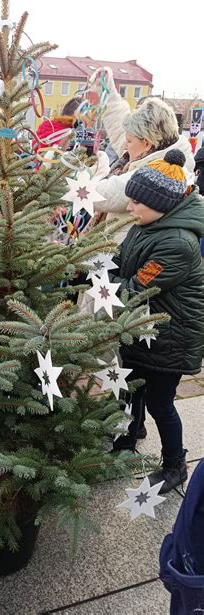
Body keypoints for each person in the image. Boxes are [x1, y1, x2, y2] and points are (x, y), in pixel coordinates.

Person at [110, 149, 204, 493]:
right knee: (131, 385)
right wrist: (90, 265)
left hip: (170, 337)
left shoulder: (178, 243)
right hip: (144, 330)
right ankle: (130, 435)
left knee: (160, 403)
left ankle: (175, 464)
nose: (129, 207)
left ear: (160, 204)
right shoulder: (146, 225)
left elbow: (135, 289)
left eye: (136, 202)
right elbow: (120, 262)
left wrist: (101, 283)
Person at [89, 67, 195, 241]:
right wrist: (106, 93)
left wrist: (78, 179)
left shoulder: (163, 172)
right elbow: (119, 129)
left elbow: (109, 194)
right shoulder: (154, 150)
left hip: (123, 254)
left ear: (147, 142)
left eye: (130, 142)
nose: (125, 146)